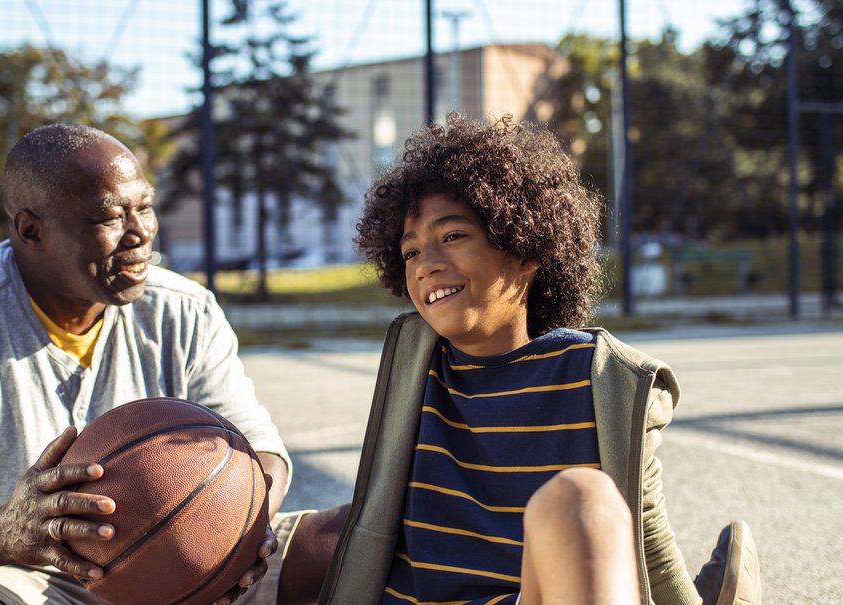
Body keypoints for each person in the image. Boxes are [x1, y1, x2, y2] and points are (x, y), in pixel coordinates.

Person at [0, 123, 344, 605]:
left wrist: (233, 529)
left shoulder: (183, 309)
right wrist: (6, 532)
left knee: (366, 538)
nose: (139, 234)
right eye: (109, 218)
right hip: (23, 576)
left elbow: (261, 452)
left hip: (181, 560)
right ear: (31, 229)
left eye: (145, 208)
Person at [318, 114, 761, 604]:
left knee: (582, 500)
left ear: (525, 246)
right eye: (409, 253)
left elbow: (645, 542)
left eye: (453, 236)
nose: (427, 264)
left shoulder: (592, 377)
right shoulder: (417, 371)